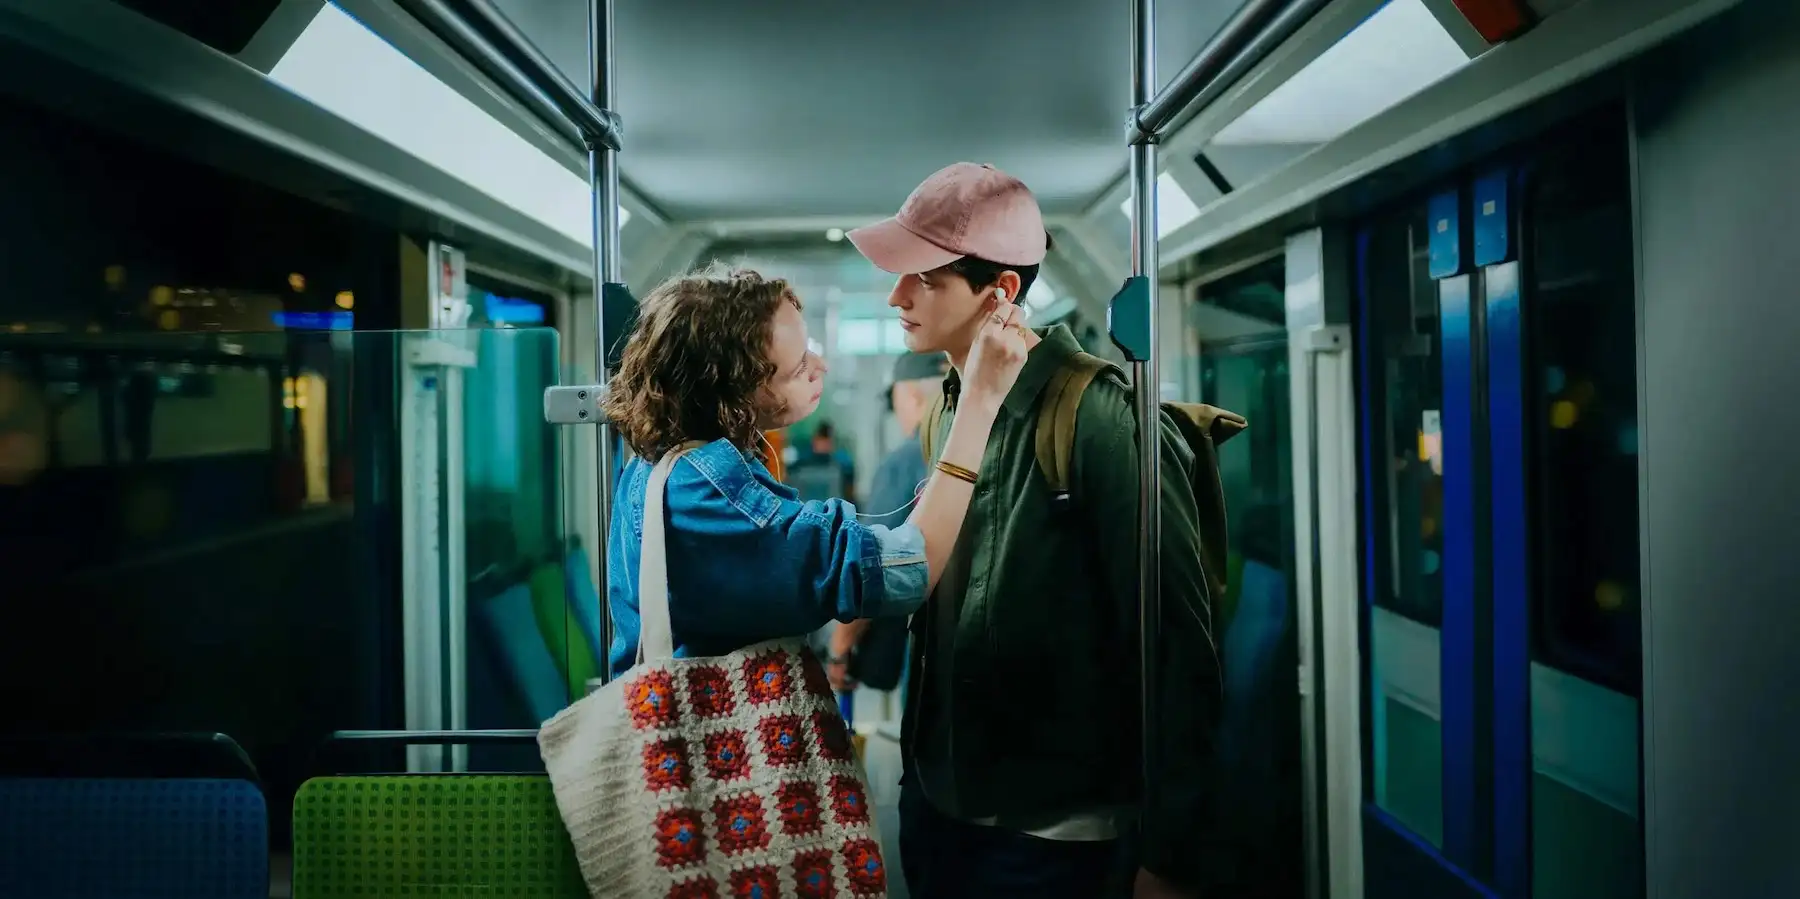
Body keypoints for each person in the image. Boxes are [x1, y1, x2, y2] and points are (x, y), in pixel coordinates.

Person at [847, 163, 1225, 899]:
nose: (898, 296)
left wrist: (1171, 851)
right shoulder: (947, 411)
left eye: (923, 277)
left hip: (1054, 832)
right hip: (941, 799)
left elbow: (1179, 645)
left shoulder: (1099, 418)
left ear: (1002, 292)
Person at [596, 263, 1029, 685]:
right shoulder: (710, 497)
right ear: (736, 388)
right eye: (800, 364)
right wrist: (979, 400)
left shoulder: (658, 467)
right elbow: (906, 570)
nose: (820, 367)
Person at [824, 351, 950, 695]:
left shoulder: (905, 461)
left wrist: (839, 649)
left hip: (927, 644)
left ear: (911, 395)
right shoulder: (976, 447)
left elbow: (874, 565)